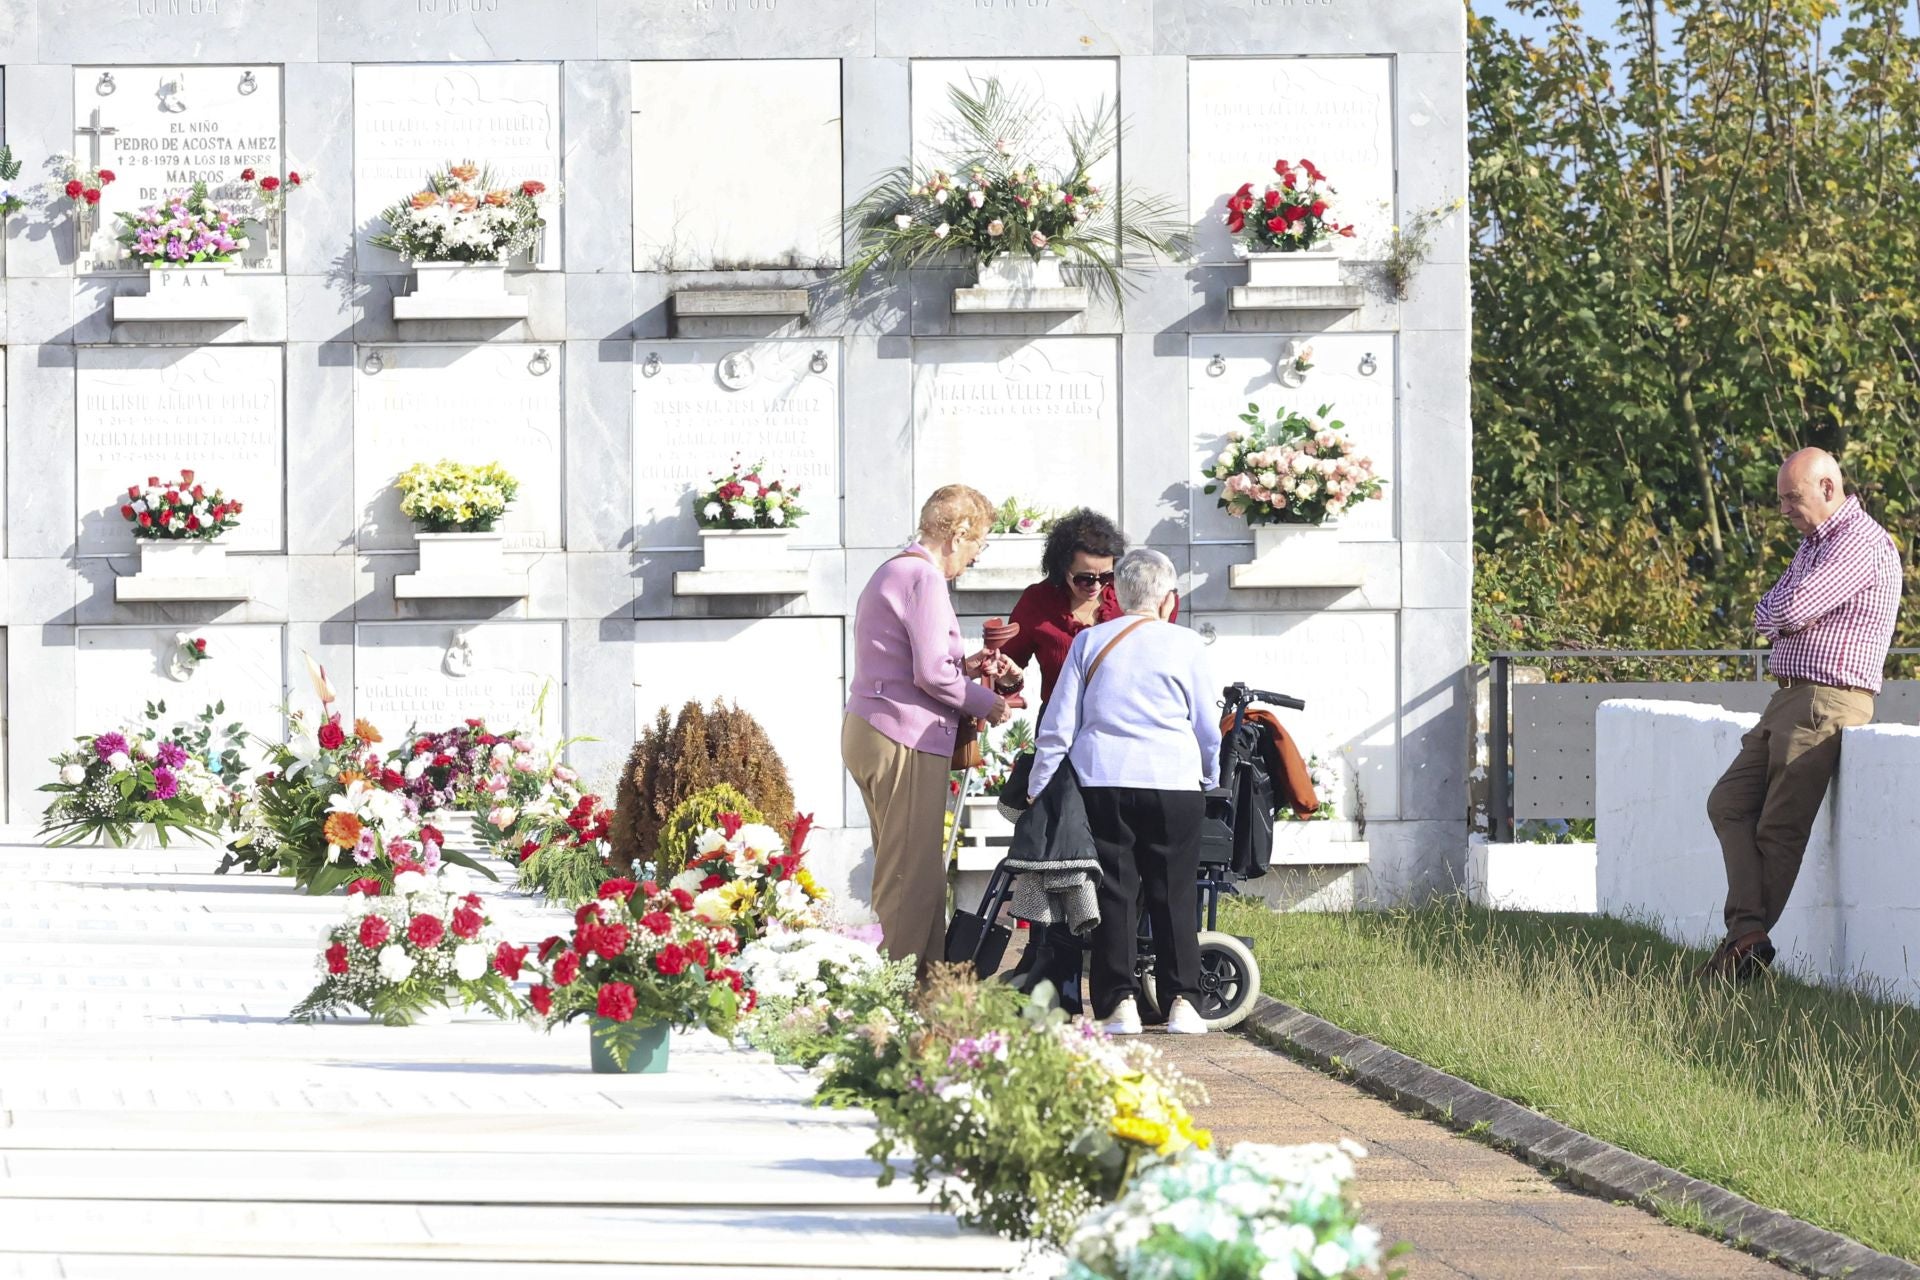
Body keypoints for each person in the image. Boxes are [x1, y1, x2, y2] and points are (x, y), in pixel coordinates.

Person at [1701, 448, 1901, 980]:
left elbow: (1785, 610)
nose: (1785, 508)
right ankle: (1747, 935)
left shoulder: (1860, 541)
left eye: (1793, 496)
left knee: (1779, 829)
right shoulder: (1816, 545)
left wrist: (1781, 617)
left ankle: (1737, 951)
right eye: (1782, 498)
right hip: (1791, 696)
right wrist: (1780, 616)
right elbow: (1773, 609)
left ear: (1829, 488)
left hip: (1827, 699)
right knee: (1727, 802)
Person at [1027, 548, 1221, 1035]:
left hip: (1104, 779)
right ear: (1168, 598)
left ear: (1118, 593)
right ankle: (1185, 1004)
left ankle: (1120, 1005)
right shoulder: (1187, 645)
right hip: (1173, 780)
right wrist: (1210, 775)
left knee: (1114, 891)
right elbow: (1206, 725)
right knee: (1175, 890)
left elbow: (1058, 724)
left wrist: (1039, 784)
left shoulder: (1090, 642)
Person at [998, 510, 1178, 1009]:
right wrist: (1010, 677)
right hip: (1063, 746)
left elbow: (1166, 652)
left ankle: (1115, 971)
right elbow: (1007, 675)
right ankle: (1056, 968)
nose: (1098, 587)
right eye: (1085, 577)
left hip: (1122, 749)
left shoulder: (1129, 601)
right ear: (1061, 571)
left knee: (1120, 861)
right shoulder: (1038, 603)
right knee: (1058, 853)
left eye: (1106, 574)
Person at [844, 485, 1015, 977]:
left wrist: (971, 664)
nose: (978, 554)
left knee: (903, 866)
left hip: (876, 727)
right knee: (912, 875)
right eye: (978, 542)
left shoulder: (894, 569)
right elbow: (932, 674)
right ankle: (907, 995)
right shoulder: (925, 577)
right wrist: (990, 702)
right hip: (904, 735)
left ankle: (922, 983)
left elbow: (918, 660)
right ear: (958, 533)